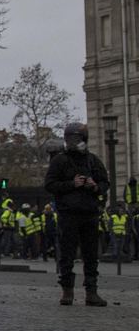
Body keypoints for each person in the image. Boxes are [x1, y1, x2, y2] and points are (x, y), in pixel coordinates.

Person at [46, 121, 109, 306]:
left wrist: (95, 186)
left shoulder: (93, 160)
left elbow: (105, 183)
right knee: (67, 254)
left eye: (77, 139)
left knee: (91, 255)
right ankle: (67, 290)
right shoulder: (60, 161)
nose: (74, 142)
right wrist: (71, 185)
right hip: (68, 213)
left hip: (89, 212)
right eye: (70, 139)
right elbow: (49, 185)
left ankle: (91, 291)